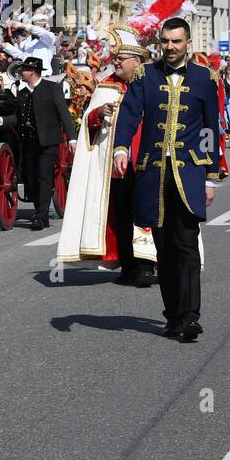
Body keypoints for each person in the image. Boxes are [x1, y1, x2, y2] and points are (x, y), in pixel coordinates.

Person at [113, 17, 222, 343]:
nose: (171, 47)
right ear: (160, 43)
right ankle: (173, 314)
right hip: (154, 174)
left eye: (177, 41)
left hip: (189, 173)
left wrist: (211, 177)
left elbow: (209, 128)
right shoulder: (146, 75)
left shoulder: (205, 78)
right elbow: (130, 113)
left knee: (186, 244)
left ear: (188, 43)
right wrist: (121, 147)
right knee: (165, 248)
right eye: (166, 41)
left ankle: (190, 317)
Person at [58, 29, 155, 284]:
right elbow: (88, 124)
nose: (116, 62)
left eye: (121, 58)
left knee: (147, 213)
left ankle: (148, 265)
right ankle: (129, 265)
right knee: (122, 214)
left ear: (137, 60)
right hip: (115, 165)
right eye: (116, 58)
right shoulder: (106, 86)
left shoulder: (152, 83)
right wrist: (100, 112)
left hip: (148, 162)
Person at [0, 56, 76, 230]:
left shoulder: (52, 89)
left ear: (33, 72)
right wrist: (0, 120)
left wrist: (72, 138)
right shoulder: (22, 93)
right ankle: (39, 211)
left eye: (24, 70)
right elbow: (17, 118)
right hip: (28, 142)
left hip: (48, 142)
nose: (21, 72)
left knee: (44, 177)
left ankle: (42, 217)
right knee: (30, 179)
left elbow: (64, 114)